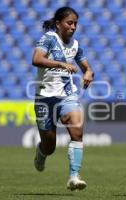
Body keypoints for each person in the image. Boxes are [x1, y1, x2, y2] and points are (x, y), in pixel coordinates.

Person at [32, 7, 94, 191]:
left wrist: (88, 74)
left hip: (68, 95)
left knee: (77, 131)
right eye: (69, 23)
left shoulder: (75, 45)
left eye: (75, 23)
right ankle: (41, 152)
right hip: (45, 98)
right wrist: (61, 63)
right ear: (58, 24)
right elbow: (36, 58)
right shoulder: (49, 39)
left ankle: (74, 177)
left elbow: (87, 67)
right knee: (50, 146)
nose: (73, 27)